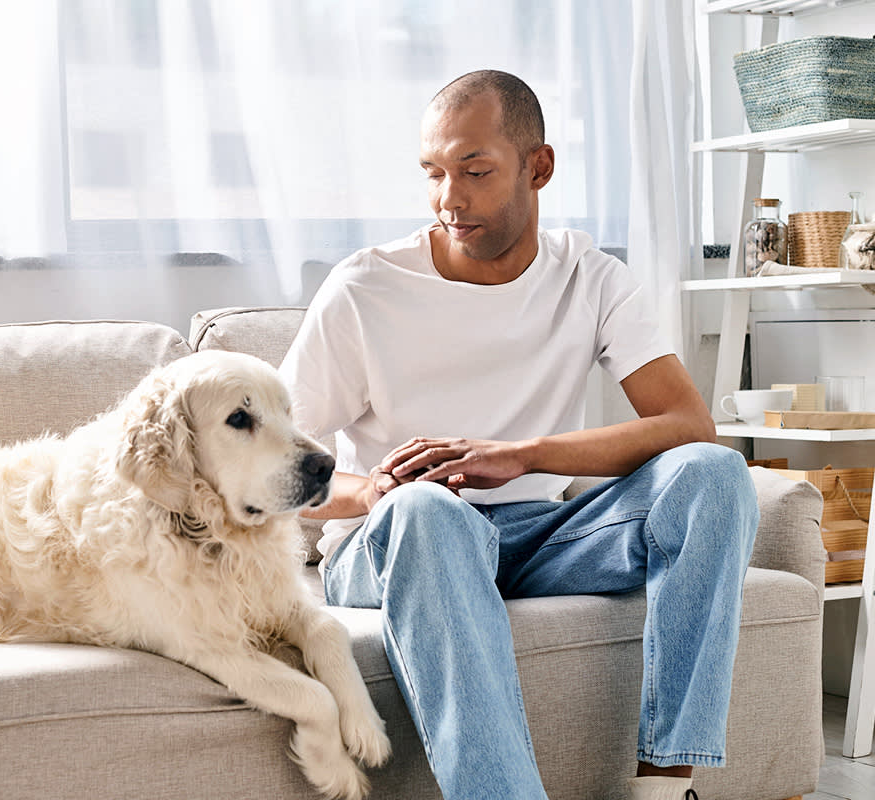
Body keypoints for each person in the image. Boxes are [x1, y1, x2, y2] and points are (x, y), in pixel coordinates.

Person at [278, 70, 757, 800]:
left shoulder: (588, 277)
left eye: (475, 171)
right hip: (396, 541)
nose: (449, 199)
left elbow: (687, 424)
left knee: (713, 476)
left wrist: (523, 456)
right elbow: (271, 472)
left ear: (539, 167)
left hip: (536, 533)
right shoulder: (363, 290)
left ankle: (665, 786)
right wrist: (376, 488)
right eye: (433, 173)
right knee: (426, 510)